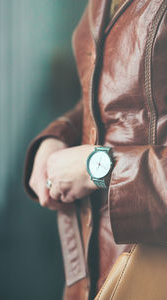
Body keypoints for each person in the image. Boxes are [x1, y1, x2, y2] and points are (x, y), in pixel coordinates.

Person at [23, 0, 167, 299]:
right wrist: (61, 133)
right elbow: (112, 94)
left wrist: (97, 167)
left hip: (151, 272)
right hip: (95, 268)